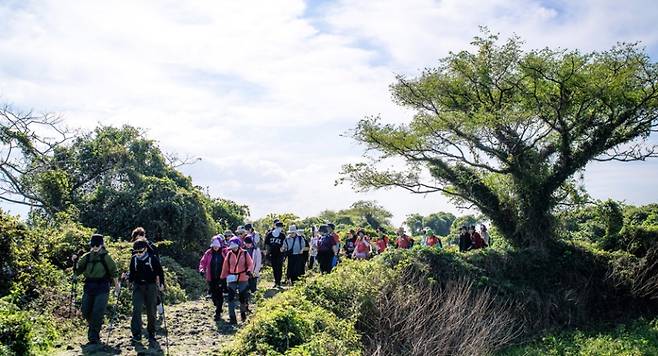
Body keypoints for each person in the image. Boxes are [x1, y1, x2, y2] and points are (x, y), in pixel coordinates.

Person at [72, 234, 120, 345]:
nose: (94, 247)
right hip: (89, 286)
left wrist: (117, 286)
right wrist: (74, 261)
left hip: (102, 286)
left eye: (97, 245)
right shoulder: (87, 256)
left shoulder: (106, 257)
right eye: (93, 245)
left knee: (97, 311)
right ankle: (94, 328)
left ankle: (93, 337)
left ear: (102, 245)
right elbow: (78, 270)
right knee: (85, 310)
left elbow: (114, 271)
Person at [127, 240, 165, 344]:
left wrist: (161, 284)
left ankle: (151, 333)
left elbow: (160, 272)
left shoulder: (152, 258)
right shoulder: (134, 259)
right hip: (138, 286)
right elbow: (132, 273)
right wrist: (127, 279)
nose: (138, 253)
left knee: (151, 310)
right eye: (136, 251)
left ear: (146, 249)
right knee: (136, 309)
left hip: (151, 286)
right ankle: (136, 334)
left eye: (140, 251)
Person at [131, 227, 165, 318]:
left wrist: (158, 276)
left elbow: (157, 261)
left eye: (139, 236)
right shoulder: (135, 246)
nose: (138, 239)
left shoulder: (151, 246)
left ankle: (159, 308)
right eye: (136, 238)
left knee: (154, 293)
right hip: (139, 274)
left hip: (152, 272)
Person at [220, 238, 254, 324]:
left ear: (238, 245)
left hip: (243, 277)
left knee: (242, 297)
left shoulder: (245, 253)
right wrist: (222, 278)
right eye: (232, 247)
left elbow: (250, 264)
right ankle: (232, 318)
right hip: (231, 278)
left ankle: (243, 314)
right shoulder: (229, 254)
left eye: (235, 247)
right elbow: (225, 267)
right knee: (230, 298)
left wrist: (249, 271)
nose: (233, 249)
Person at [198, 236, 227, 321]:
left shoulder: (224, 252)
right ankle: (217, 305)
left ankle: (218, 312)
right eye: (214, 246)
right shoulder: (208, 253)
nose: (215, 247)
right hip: (211, 277)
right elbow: (202, 262)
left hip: (222, 277)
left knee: (219, 294)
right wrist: (201, 269)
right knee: (214, 296)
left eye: (217, 246)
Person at [264, 220, 285, 288]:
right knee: (274, 268)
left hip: (280, 254)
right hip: (272, 254)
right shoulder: (270, 234)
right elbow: (266, 243)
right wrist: (267, 253)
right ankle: (276, 282)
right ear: (275, 226)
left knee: (279, 268)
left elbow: (285, 244)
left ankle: (278, 282)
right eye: (278, 226)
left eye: (281, 227)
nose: (280, 228)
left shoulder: (282, 235)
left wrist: (283, 250)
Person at [243, 236, 261, 313]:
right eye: (246, 243)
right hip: (244, 273)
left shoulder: (256, 250)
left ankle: (256, 307)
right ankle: (246, 307)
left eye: (249, 243)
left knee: (253, 290)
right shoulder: (242, 250)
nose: (248, 245)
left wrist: (255, 272)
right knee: (245, 290)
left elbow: (258, 262)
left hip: (253, 273)